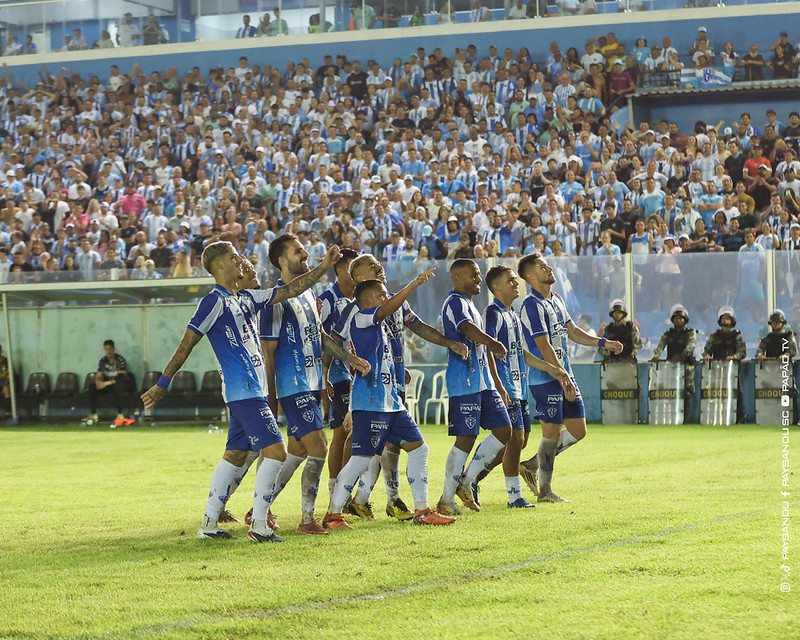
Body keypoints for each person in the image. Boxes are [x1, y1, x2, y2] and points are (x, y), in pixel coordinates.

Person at [141, 240, 341, 542]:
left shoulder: (247, 297)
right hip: (243, 390)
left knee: (235, 454)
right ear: (219, 265)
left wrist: (324, 266)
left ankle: (208, 524)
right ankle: (259, 525)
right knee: (276, 452)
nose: (241, 261)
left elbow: (291, 290)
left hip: (253, 390)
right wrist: (162, 384)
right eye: (235, 257)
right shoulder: (213, 302)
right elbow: (186, 345)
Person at [325, 272, 455, 528]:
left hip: (391, 401)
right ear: (367, 299)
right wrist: (414, 284)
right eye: (382, 294)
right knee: (361, 459)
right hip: (371, 401)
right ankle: (333, 513)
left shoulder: (379, 326)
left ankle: (422, 510)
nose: (387, 298)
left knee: (419, 448)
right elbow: (386, 308)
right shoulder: (362, 318)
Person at [259, 235, 369, 536]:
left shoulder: (309, 296)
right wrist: (270, 398)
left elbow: (318, 338)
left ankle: (259, 508)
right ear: (282, 261)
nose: (304, 253)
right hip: (291, 386)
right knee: (319, 446)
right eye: (298, 251)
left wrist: (349, 359)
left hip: (308, 385)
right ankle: (307, 519)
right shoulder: (274, 300)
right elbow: (267, 352)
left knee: (297, 452)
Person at [517, 252, 623, 502]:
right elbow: (543, 345)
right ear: (531, 276)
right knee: (551, 433)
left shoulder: (557, 300)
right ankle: (546, 491)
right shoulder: (531, 305)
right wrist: (562, 377)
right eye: (543, 267)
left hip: (565, 374)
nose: (549, 268)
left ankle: (532, 464)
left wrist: (604, 342)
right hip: (545, 378)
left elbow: (572, 331)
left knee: (578, 430)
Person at [471, 265, 574, 509]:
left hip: (519, 386)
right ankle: (512, 496)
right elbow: (487, 349)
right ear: (496, 287)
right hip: (505, 386)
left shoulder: (513, 314)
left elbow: (522, 353)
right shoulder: (493, 313)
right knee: (514, 439)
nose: (516, 283)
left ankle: (472, 480)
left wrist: (550, 368)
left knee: (521, 440)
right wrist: (498, 385)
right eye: (510, 280)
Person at [437, 259, 513, 516]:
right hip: (464, 381)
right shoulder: (455, 302)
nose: (478, 280)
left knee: (504, 429)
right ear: (457, 279)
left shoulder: (471, 304)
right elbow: (466, 329)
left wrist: (497, 383)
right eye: (474, 276)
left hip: (484, 382)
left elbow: (480, 342)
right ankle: (446, 499)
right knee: (465, 438)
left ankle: (466, 481)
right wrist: (492, 342)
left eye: (479, 276)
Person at [650, 304, 697, 414]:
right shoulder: (668, 333)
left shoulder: (690, 333)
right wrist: (656, 355)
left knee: (687, 392)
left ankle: (685, 419)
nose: (678, 320)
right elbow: (660, 346)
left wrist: (680, 357)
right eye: (676, 318)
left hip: (686, 366)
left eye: (680, 318)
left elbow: (691, 347)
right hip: (671, 367)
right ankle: (672, 416)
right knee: (671, 391)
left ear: (685, 320)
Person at [84, 340, 130, 423]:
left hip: (119, 384)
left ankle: (120, 414)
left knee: (118, 386)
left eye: (109, 349)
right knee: (92, 387)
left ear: (113, 349)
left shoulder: (120, 360)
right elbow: (98, 374)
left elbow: (121, 376)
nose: (108, 351)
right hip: (107, 385)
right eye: (106, 349)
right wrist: (98, 382)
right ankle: (93, 414)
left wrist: (106, 383)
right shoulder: (103, 361)